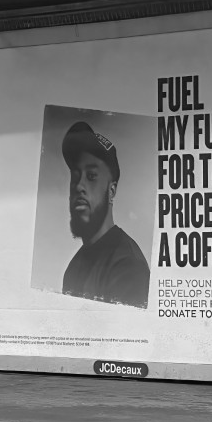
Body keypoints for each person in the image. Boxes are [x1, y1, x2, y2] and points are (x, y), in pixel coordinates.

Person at [61, 121, 150, 308]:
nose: (79, 185)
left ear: (111, 191)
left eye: (91, 176)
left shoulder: (127, 266)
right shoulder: (74, 267)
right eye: (75, 176)